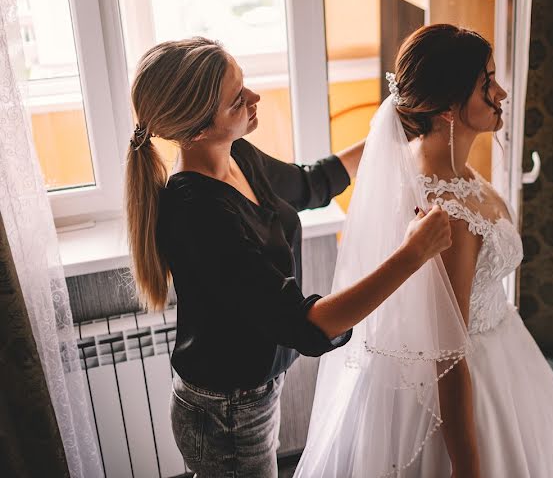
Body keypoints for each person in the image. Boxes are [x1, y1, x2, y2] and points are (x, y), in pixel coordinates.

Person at [124, 36, 451, 477]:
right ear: (198, 129)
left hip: (249, 394)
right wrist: (413, 255)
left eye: (245, 84)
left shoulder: (235, 153)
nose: (255, 98)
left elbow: (311, 183)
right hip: (226, 415)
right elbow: (306, 324)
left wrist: (393, 129)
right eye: (237, 99)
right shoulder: (199, 215)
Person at [296, 24, 553, 477]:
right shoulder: (448, 214)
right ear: (447, 107)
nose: (500, 92)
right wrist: (467, 466)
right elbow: (449, 355)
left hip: (505, 352)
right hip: (470, 382)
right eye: (487, 83)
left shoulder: (443, 165)